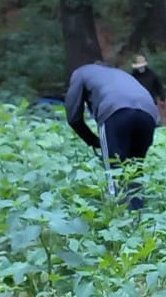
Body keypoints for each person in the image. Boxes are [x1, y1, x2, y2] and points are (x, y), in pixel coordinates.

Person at [65, 63, 160, 210]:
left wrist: (93, 141)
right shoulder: (118, 73)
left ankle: (120, 221)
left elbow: (74, 117)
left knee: (114, 171)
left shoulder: (79, 73)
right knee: (134, 169)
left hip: (115, 111)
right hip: (148, 113)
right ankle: (137, 215)